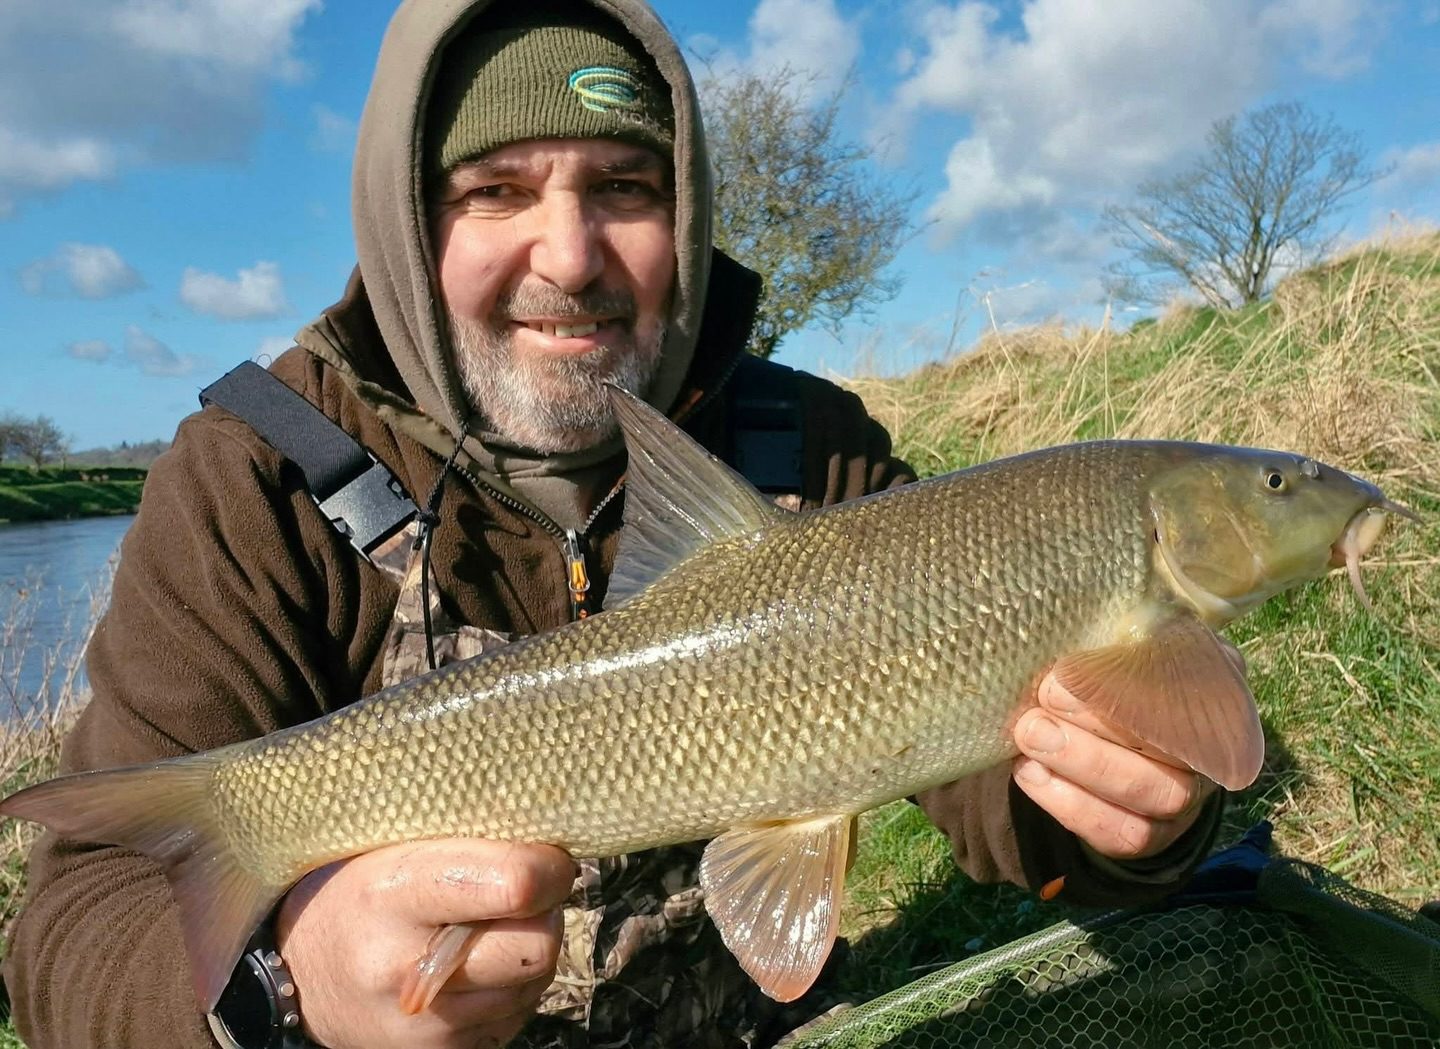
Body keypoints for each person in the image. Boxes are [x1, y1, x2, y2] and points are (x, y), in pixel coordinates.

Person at [2, 0, 1226, 1046]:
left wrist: (1139, 822)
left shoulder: (810, 448)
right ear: (408, 226)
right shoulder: (255, 474)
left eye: (624, 188)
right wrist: (290, 986)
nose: (571, 254)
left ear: (683, 217)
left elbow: (1010, 815)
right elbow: (74, 934)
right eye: (496, 191)